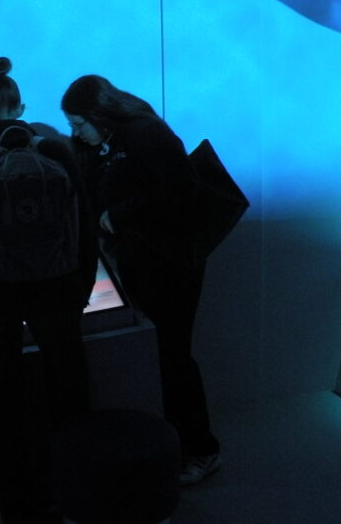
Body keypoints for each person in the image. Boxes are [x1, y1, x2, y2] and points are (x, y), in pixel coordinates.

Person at [0, 57, 97, 524]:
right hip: (58, 290)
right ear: (22, 106)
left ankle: (19, 504)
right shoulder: (56, 151)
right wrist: (81, 286)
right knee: (68, 390)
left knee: (5, 400)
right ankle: (76, 494)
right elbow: (85, 224)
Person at [60, 75, 221, 485]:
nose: (75, 132)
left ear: (99, 113)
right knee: (165, 354)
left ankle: (200, 448)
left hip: (172, 263)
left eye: (79, 124)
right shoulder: (106, 143)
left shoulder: (145, 132)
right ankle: (178, 445)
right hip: (142, 261)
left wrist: (118, 215)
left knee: (173, 354)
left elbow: (182, 189)